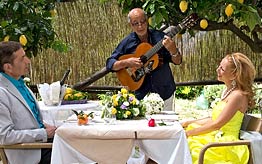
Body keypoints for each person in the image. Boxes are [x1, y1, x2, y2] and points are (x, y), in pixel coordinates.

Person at [181, 52, 256, 164]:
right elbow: (213, 119)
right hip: (216, 136)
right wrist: (188, 122)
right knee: (184, 138)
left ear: (234, 75)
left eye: (222, 69)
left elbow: (217, 124)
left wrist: (188, 133)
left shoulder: (237, 96)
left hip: (226, 145)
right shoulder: (229, 92)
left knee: (189, 145)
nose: (217, 70)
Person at [106, 8, 182, 111]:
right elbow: (110, 63)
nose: (140, 26)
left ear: (147, 20)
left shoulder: (160, 37)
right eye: (135, 23)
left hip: (164, 91)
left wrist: (173, 51)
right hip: (141, 95)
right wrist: (127, 62)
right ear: (131, 25)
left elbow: (177, 61)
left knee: (167, 125)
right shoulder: (127, 42)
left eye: (142, 22)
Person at [0, 41, 56, 164]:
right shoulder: (1, 93)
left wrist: (43, 125)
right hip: (30, 154)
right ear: (8, 67)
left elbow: (26, 118)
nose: (28, 61)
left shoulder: (19, 83)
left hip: (41, 145)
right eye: (22, 58)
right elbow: (4, 136)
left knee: (80, 144)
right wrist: (43, 133)